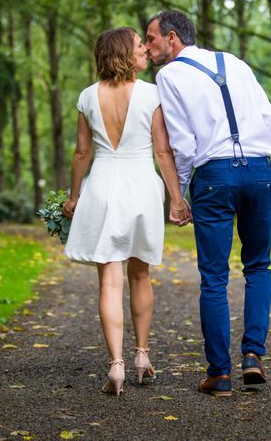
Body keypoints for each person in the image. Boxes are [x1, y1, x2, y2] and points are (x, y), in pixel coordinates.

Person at [145, 10, 271, 396]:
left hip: (214, 177)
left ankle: (220, 373)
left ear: (173, 38)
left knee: (214, 276)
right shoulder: (235, 62)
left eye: (152, 39)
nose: (147, 47)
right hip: (259, 172)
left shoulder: (169, 76)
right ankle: (253, 357)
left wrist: (177, 197)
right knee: (259, 266)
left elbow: (182, 143)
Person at [63, 27, 191, 396]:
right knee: (140, 275)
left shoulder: (87, 96)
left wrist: (74, 197)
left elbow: (82, 154)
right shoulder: (152, 94)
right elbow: (162, 152)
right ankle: (141, 355)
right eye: (138, 45)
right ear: (124, 52)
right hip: (141, 187)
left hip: (102, 185)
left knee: (109, 280)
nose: (144, 51)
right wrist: (177, 198)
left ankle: (115, 364)